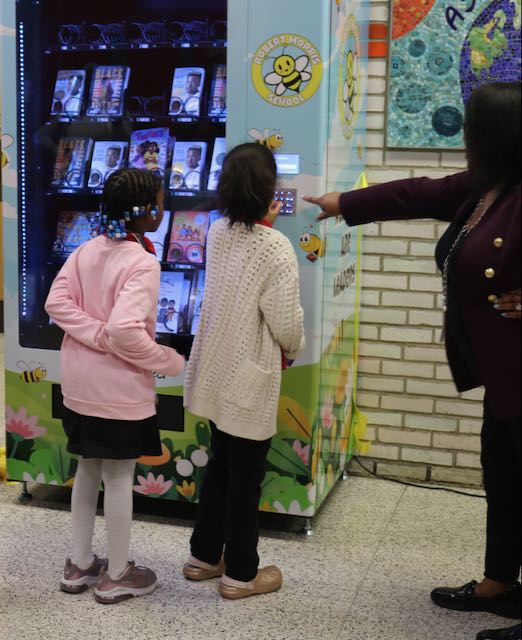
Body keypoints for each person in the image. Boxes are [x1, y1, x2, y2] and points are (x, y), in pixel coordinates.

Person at [305, 82, 521, 640]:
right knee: (504, 476)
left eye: (474, 129)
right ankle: (500, 582)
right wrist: (342, 204)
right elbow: (420, 193)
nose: (466, 140)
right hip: (505, 374)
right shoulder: (489, 187)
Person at [45, 169, 185, 605]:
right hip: (120, 391)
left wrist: (92, 333)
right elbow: (125, 333)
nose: (162, 210)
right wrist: (170, 361)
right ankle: (120, 572)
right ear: (143, 212)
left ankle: (80, 563)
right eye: (159, 203)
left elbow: (56, 303)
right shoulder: (142, 261)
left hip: (79, 385)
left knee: (88, 468)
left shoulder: (86, 249)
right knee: (121, 475)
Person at [183, 143, 305, 600]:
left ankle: (203, 556)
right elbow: (285, 322)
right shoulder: (275, 247)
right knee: (245, 475)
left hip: (215, 369)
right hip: (250, 374)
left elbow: (239, 270)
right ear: (268, 189)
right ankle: (241, 574)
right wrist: (294, 348)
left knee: (220, 464)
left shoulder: (216, 231)